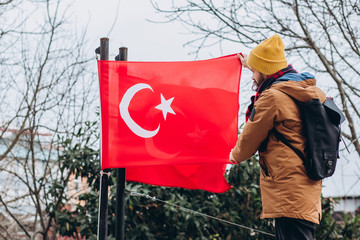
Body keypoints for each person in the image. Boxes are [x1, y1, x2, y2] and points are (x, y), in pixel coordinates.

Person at [229, 34, 324, 240]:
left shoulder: (272, 97)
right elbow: (268, 70)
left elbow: (249, 140)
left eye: (254, 72)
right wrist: (250, 63)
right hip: (304, 186)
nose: (252, 77)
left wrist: (233, 156)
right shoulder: (298, 89)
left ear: (263, 71)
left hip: (288, 189)